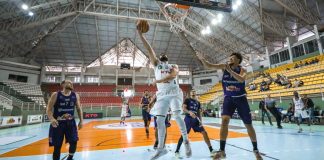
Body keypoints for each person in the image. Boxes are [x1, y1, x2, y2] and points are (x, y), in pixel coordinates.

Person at [137, 20, 192, 160]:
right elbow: (149, 49)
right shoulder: (156, 64)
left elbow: (174, 75)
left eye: (164, 55)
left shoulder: (174, 65)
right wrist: (140, 35)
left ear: (167, 59)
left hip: (174, 92)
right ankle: (161, 148)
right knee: (159, 120)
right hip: (162, 94)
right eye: (161, 55)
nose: (162, 55)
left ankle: (186, 141)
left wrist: (158, 81)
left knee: (177, 115)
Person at [196, 52, 263, 160]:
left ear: (238, 60)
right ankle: (222, 151)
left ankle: (256, 150)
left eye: (233, 58)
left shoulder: (243, 69)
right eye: (230, 58)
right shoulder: (224, 67)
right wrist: (202, 59)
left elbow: (241, 79)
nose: (230, 59)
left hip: (241, 98)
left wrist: (230, 71)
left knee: (248, 125)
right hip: (228, 98)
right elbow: (209, 65)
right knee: (224, 120)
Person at [46, 80, 83, 160]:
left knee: (74, 141)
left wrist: (81, 121)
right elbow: (48, 109)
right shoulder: (56, 95)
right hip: (58, 123)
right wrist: (51, 119)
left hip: (70, 123)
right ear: (62, 84)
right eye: (68, 82)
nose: (70, 83)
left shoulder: (75, 95)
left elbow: (79, 109)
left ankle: (70, 157)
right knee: (57, 146)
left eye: (71, 83)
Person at [174, 90, 216, 157]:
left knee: (204, 132)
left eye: (194, 92)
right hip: (188, 119)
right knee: (183, 135)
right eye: (192, 92)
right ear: (190, 94)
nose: (193, 93)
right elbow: (184, 108)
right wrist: (189, 112)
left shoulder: (198, 102)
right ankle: (177, 151)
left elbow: (199, 113)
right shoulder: (187, 100)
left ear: (195, 94)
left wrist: (201, 121)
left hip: (196, 120)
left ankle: (211, 150)